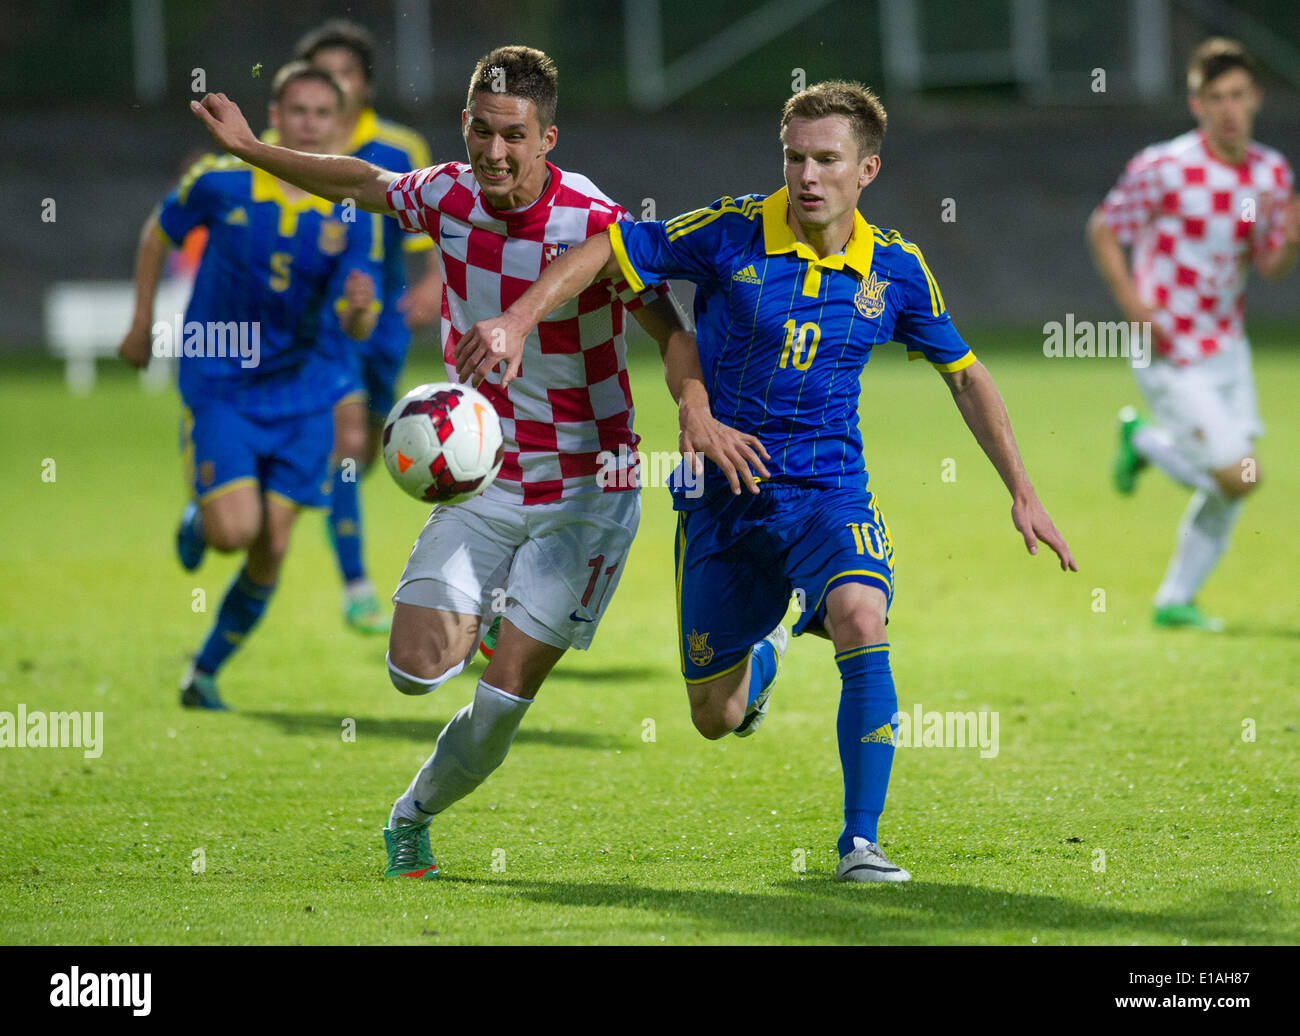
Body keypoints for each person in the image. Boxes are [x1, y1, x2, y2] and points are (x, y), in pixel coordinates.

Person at [457, 80, 1076, 883]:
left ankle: (861, 843)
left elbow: (965, 375)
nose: (807, 176)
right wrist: (521, 317)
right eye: (795, 157)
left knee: (860, 613)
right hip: (721, 497)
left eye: (827, 159)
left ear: (868, 170)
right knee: (716, 716)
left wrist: (1022, 489)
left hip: (828, 490)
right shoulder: (729, 230)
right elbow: (608, 249)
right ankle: (778, 639)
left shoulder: (895, 270)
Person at [189, 45, 763, 877]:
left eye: (515, 137)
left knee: (498, 701)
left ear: (548, 138)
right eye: (483, 132)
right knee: (413, 672)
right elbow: (359, 182)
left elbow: (671, 330)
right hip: (486, 475)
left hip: (587, 486)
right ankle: (494, 606)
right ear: (466, 127)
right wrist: (250, 149)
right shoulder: (450, 193)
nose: (496, 153)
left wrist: (693, 404)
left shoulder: (593, 220)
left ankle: (411, 817)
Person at [120, 63, 381, 711]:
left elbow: (358, 321)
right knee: (233, 532)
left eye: (324, 115)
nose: (311, 125)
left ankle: (203, 672)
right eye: (299, 111)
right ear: (274, 115)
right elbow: (158, 232)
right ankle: (200, 517)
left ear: (340, 124)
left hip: (303, 391)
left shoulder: (350, 204)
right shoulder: (222, 181)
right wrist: (141, 320)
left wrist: (359, 306)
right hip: (221, 382)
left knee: (274, 544)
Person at [1089, 38, 1298, 632]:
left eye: (1238, 96)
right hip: (1169, 348)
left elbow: (1265, 260)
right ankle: (1149, 443)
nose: (1229, 109)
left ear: (1255, 98)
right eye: (1215, 99)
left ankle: (1174, 599)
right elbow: (1104, 229)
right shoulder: (1166, 168)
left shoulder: (1268, 174)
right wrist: (1134, 307)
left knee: (1241, 482)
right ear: (1196, 104)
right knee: (1238, 473)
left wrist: (1291, 243)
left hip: (1228, 347)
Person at [292, 20, 442, 635]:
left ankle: (295, 479)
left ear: (366, 84)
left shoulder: (399, 146)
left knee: (367, 450)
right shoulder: (286, 144)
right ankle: (357, 586)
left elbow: (436, 211)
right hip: (316, 324)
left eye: (345, 73)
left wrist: (434, 277)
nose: (336, 84)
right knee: (350, 441)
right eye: (324, 74)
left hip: (383, 321)